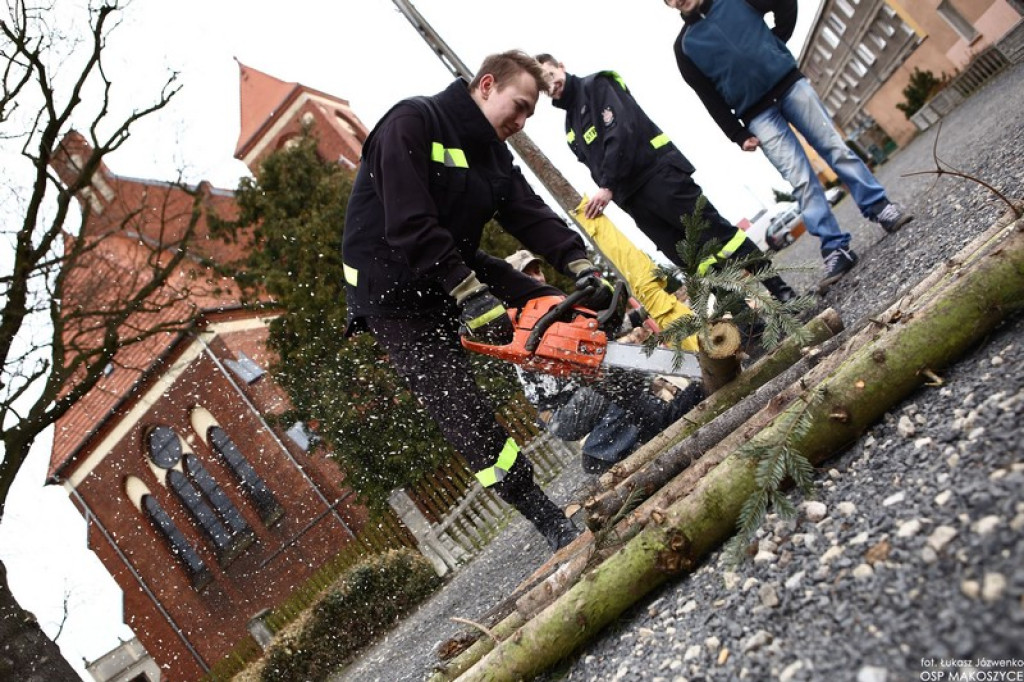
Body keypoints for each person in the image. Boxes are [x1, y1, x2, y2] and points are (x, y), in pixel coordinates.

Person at [341, 50, 621, 552]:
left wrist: (576, 261)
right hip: (394, 296)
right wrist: (469, 293)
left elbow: (526, 211)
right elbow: (408, 222)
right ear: (486, 85)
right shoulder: (413, 122)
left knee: (552, 306)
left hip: (452, 262)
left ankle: (638, 403)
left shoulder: (492, 154)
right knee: (461, 408)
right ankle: (547, 519)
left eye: (530, 114)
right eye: (518, 106)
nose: (521, 121)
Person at [662, 0, 914, 291]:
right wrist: (737, 133)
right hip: (756, 115)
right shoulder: (685, 48)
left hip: (790, 85)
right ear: (667, 5)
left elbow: (783, 3)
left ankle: (881, 208)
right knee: (801, 179)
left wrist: (775, 41)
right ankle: (835, 249)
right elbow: (708, 97)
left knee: (835, 149)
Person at [534, 55, 797, 304]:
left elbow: (622, 132)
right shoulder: (570, 127)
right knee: (694, 260)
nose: (551, 84)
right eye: (543, 85)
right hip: (635, 201)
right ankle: (750, 322)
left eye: (550, 74)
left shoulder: (598, 85)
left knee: (719, 235)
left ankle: (781, 291)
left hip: (661, 177)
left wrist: (608, 186)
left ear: (560, 66)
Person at [505, 250, 705, 475]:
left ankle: (653, 424)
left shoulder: (553, 309)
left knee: (616, 377)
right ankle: (599, 451)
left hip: (581, 394)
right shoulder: (526, 327)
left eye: (537, 271)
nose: (538, 278)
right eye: (528, 275)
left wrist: (641, 312)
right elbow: (578, 358)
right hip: (561, 412)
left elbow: (597, 332)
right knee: (614, 375)